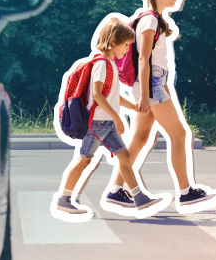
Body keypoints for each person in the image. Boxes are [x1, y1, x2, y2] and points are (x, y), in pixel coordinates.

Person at [106, 0, 216, 207]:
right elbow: (144, 60)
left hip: (152, 84)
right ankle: (186, 192)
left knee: (140, 137)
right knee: (179, 135)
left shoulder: (153, 20)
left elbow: (154, 62)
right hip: (150, 85)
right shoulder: (150, 21)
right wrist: (146, 95)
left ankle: (116, 190)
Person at [55, 18, 164, 215]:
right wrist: (117, 118)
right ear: (113, 41)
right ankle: (63, 199)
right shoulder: (102, 64)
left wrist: (132, 106)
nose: (127, 50)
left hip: (105, 123)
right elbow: (97, 94)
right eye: (126, 45)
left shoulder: (110, 64)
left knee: (124, 156)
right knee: (84, 160)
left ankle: (139, 197)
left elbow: (112, 95)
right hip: (97, 123)